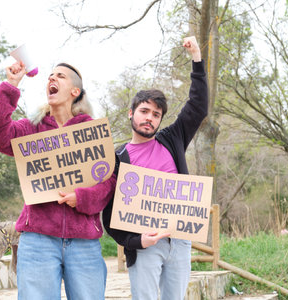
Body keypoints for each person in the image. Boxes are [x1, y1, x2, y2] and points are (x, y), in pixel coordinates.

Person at [0, 61, 116, 300]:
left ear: (75, 91)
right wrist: (10, 86)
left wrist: (83, 198)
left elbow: (109, 179)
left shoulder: (91, 130)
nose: (52, 79)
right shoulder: (31, 128)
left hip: (84, 241)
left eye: (60, 76)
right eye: (50, 76)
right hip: (37, 240)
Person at [102, 36, 208, 300]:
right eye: (144, 111)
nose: (149, 118)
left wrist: (196, 58)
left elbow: (197, 106)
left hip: (179, 239)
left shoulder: (173, 139)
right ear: (131, 113)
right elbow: (109, 215)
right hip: (145, 245)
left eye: (156, 114)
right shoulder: (117, 159)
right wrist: (137, 242)